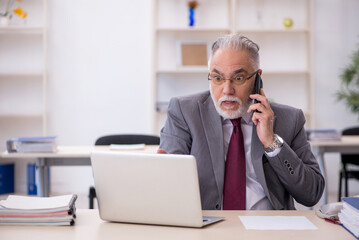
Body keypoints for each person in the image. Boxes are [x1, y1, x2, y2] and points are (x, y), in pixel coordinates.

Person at [158, 34, 325, 210]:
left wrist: (271, 143)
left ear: (257, 77)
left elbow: (311, 194)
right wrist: (164, 175)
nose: (227, 90)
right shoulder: (184, 112)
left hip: (270, 228)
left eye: (238, 78)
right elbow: (169, 191)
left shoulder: (289, 119)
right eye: (217, 78)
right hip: (208, 227)